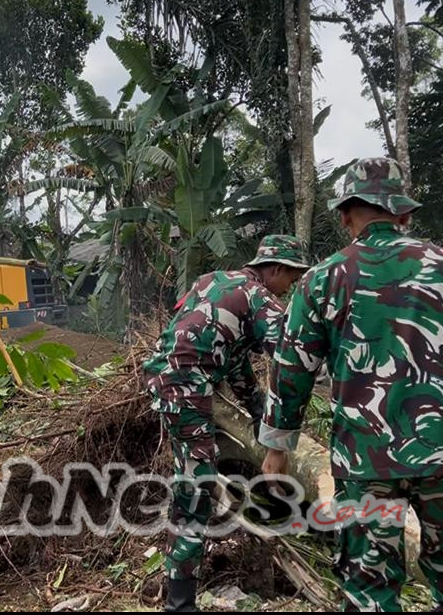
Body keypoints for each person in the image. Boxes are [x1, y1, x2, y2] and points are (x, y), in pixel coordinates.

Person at [258, 158, 443, 611]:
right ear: (404, 214)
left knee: (369, 581)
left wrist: (278, 443)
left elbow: (292, 367)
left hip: (365, 460)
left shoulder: (323, 279)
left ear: (346, 216)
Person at [142, 235, 311, 612]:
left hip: (169, 377)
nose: (291, 287)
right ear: (276, 269)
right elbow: (286, 359)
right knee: (198, 489)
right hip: (185, 383)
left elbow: (231, 358)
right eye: (291, 279)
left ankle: (175, 587)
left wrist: (257, 413)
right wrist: (279, 434)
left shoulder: (213, 280)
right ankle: (180, 604)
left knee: (189, 485)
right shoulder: (260, 297)